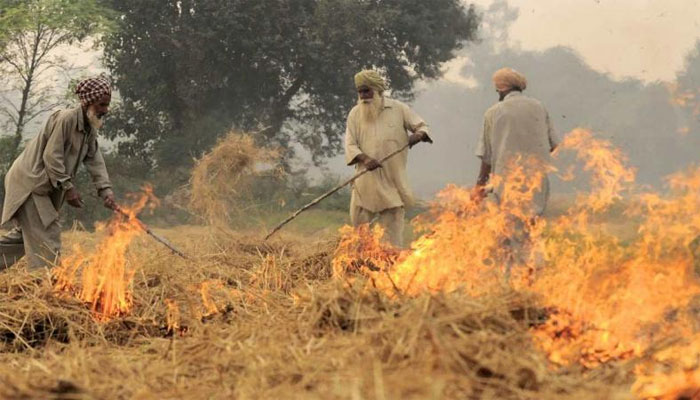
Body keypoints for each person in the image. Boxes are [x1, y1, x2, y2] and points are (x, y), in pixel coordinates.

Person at [0, 76, 117, 269]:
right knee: (47, 232)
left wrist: (106, 191)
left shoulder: (90, 127)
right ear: (88, 102)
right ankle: (45, 284)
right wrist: (68, 187)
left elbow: (95, 159)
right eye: (101, 104)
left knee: (26, 237)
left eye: (107, 105)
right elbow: (51, 157)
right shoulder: (66, 119)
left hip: (40, 186)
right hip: (31, 183)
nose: (105, 110)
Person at [473, 67, 560, 279]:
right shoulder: (539, 107)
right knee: (531, 228)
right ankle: (533, 277)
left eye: (497, 89)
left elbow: (486, 156)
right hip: (537, 181)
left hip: (507, 181)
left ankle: (512, 283)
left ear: (502, 88)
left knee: (509, 233)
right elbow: (553, 145)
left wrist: (479, 187)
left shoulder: (494, 112)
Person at [344, 69, 432, 247]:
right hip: (365, 184)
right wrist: (365, 159)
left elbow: (422, 126)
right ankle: (359, 269)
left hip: (392, 182)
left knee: (391, 242)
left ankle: (391, 269)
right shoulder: (355, 114)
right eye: (360, 92)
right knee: (360, 238)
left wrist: (418, 135)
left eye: (366, 91)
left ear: (377, 90)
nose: (363, 96)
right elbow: (350, 145)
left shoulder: (398, 109)